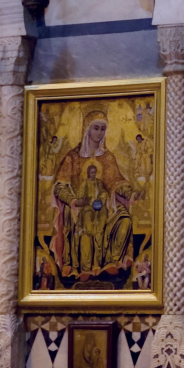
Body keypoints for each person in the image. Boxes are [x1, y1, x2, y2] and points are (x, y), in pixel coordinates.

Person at [50, 107, 138, 286]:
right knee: (85, 228)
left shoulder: (107, 158)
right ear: (87, 130)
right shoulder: (72, 157)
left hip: (105, 207)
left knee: (125, 220)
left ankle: (111, 262)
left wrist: (131, 193)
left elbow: (116, 181)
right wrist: (74, 201)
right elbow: (60, 186)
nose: (99, 133)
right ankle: (84, 268)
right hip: (81, 208)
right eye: (95, 128)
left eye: (103, 129)